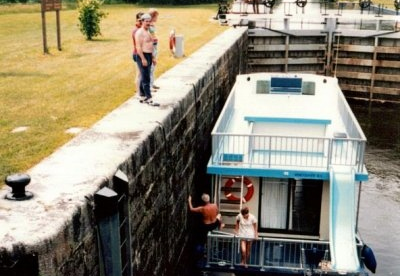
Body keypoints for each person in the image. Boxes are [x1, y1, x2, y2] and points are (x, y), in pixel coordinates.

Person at [135, 13, 156, 104]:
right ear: (142, 21)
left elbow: (151, 45)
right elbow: (138, 47)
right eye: (146, 21)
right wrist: (143, 59)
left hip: (149, 55)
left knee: (145, 75)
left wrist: (152, 57)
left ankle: (142, 96)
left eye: (149, 21)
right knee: (146, 77)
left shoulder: (148, 31)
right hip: (142, 55)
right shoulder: (139, 32)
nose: (148, 23)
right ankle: (149, 98)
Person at [132, 12, 143, 97]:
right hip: (137, 53)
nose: (142, 22)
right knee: (139, 74)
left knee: (141, 73)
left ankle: (140, 91)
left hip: (139, 53)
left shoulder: (140, 29)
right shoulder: (136, 30)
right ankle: (138, 92)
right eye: (140, 20)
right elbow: (138, 45)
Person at [148, 8, 160, 91]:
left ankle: (152, 83)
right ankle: (149, 86)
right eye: (156, 16)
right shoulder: (149, 26)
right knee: (151, 66)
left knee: (153, 66)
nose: (157, 18)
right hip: (152, 47)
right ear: (153, 16)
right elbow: (150, 37)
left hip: (155, 46)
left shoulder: (152, 25)